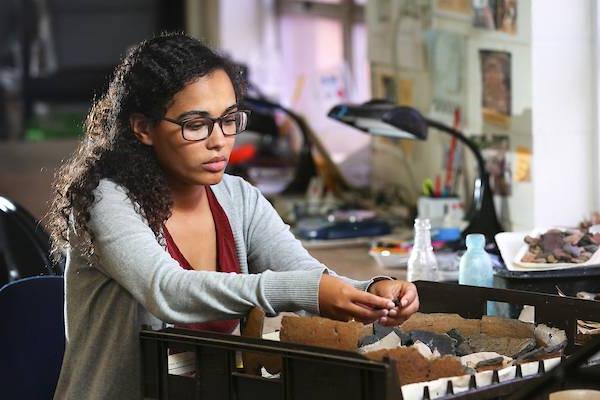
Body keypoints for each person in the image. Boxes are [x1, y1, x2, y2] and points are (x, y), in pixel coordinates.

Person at [48, 33, 419, 399]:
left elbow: (302, 273)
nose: (219, 140)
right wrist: (309, 290)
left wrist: (370, 291)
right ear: (143, 128)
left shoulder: (238, 197)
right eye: (196, 125)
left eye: (229, 119)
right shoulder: (105, 201)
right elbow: (167, 291)